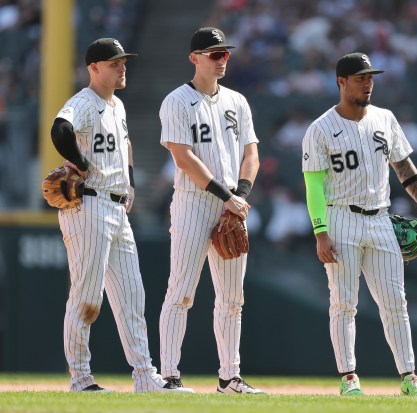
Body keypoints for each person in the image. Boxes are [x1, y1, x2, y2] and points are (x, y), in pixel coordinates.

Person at [50, 38, 193, 393]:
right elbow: (60, 130)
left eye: (123, 62)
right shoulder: (84, 102)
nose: (122, 67)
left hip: (116, 206)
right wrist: (82, 164)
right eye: (114, 63)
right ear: (94, 68)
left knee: (132, 296)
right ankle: (81, 379)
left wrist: (128, 182)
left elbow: (125, 143)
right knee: (86, 297)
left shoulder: (118, 106)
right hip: (89, 205)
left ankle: (146, 377)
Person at [301, 52, 417, 397]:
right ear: (341, 82)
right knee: (344, 303)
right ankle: (349, 379)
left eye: (370, 77)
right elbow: (314, 185)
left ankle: (410, 377)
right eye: (360, 77)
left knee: (396, 302)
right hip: (340, 217)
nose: (368, 83)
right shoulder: (320, 129)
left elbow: (403, 166)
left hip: (380, 218)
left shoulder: (385, 118)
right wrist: (320, 231)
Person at [158, 27, 262, 394]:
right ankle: (169, 376)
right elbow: (182, 157)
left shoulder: (238, 101)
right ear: (194, 58)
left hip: (233, 205)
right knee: (182, 291)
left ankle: (229, 377)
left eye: (225, 54)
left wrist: (241, 196)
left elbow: (251, 154)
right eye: (214, 54)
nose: (222, 60)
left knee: (233, 297)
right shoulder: (175, 101)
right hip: (193, 201)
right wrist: (226, 195)